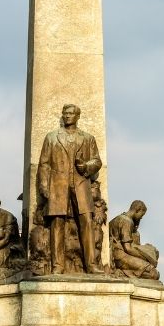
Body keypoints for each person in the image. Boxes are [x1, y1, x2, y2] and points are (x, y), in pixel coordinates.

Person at [36, 103, 102, 274]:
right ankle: (58, 265)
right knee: (57, 223)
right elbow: (44, 164)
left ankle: (91, 264)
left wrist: (85, 166)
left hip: (80, 184)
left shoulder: (87, 138)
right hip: (58, 185)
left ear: (77, 116)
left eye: (71, 113)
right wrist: (44, 186)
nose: (67, 116)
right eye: (65, 113)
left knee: (86, 222)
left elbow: (97, 161)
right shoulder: (52, 137)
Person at [109, 200, 160, 280]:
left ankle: (124, 272)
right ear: (137, 210)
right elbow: (128, 248)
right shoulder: (127, 221)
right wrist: (147, 256)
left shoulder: (118, 218)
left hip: (117, 254)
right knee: (154, 274)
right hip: (120, 256)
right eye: (141, 214)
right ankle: (121, 273)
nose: (141, 217)